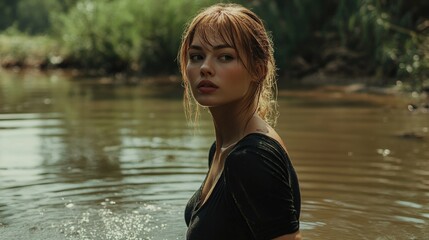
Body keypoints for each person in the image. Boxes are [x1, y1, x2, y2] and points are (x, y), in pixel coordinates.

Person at [178, 3, 301, 240]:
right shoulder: (222, 149)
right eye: (196, 56)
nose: (205, 67)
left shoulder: (251, 157)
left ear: (258, 69)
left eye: (225, 57)